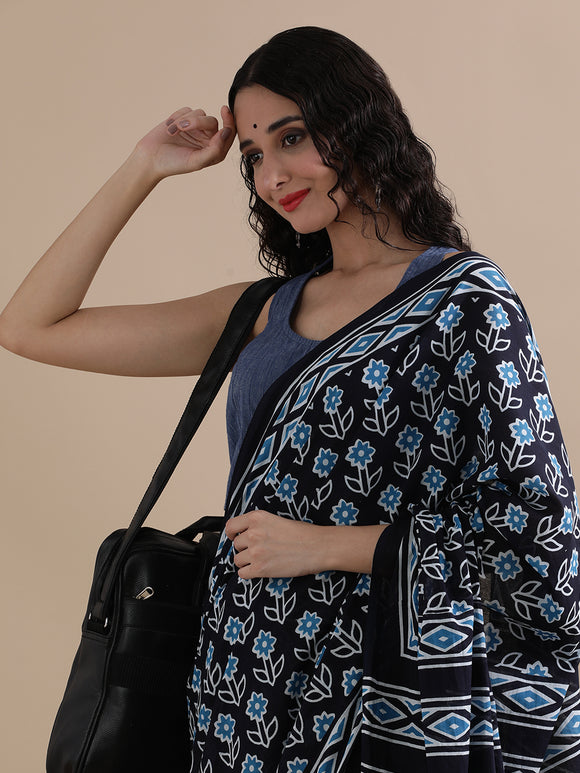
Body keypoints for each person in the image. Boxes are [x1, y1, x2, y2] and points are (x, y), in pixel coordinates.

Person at [1, 25, 578, 773]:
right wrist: (146, 165)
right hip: (238, 690)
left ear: (359, 124)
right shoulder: (261, 311)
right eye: (252, 155)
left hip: (379, 698)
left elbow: (540, 546)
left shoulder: (465, 304)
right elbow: (30, 326)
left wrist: (324, 545)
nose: (272, 176)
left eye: (292, 137)